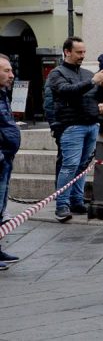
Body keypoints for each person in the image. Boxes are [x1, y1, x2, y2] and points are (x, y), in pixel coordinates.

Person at [47, 36, 103, 222]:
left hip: (91, 124)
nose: (82, 55)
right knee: (69, 166)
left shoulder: (87, 73)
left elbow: (97, 97)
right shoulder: (57, 73)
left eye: (84, 52)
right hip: (71, 126)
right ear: (67, 52)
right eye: (78, 52)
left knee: (83, 166)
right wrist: (93, 81)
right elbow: (67, 91)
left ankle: (77, 201)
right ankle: (62, 205)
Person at [0, 54, 21, 269]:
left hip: (6, 157)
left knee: (0, 206)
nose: (12, 75)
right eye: (7, 70)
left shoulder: (3, 94)